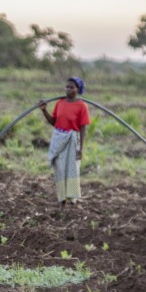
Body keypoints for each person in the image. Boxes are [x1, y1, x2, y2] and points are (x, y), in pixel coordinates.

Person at [37, 77, 91, 207]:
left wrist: (81, 148)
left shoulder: (82, 105)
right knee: (59, 169)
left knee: (72, 169)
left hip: (72, 139)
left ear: (78, 89)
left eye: (71, 87)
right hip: (58, 138)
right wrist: (44, 110)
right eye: (67, 87)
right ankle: (62, 199)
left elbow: (83, 128)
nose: (68, 89)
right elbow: (54, 122)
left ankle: (72, 199)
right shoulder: (60, 103)